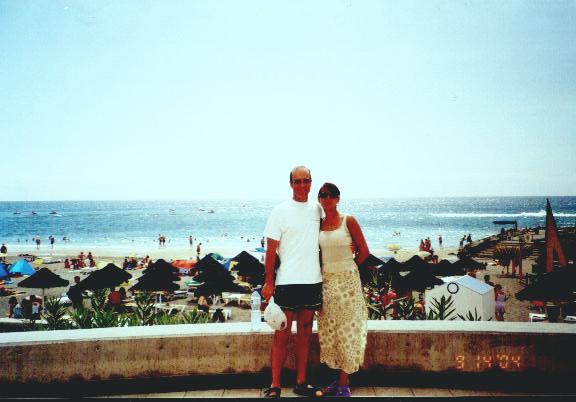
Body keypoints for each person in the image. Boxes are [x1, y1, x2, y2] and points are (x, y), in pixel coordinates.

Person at [261, 166, 323, 398]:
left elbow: (331, 231)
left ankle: (301, 382)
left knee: (305, 332)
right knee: (282, 333)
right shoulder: (280, 211)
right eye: (297, 181)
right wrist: (269, 281)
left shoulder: (318, 210)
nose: (301, 185)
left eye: (305, 180)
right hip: (287, 281)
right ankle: (275, 385)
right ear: (290, 184)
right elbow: (270, 251)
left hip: (312, 280)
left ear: (311, 183)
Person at [316, 183, 369, 397]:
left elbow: (364, 252)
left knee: (348, 331)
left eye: (330, 195)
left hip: (348, 283)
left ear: (338, 198)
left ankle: (344, 384)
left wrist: (349, 267)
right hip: (326, 282)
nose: (326, 198)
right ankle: (337, 380)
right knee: (331, 333)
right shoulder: (317, 225)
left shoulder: (349, 220)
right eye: (322, 195)